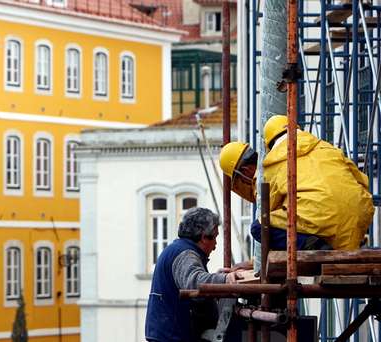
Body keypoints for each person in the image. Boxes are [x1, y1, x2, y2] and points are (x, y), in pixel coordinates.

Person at [219, 115, 374, 250]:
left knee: (259, 227)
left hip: (321, 219)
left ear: (245, 171)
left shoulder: (272, 165)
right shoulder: (327, 148)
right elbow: (361, 179)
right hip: (358, 218)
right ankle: (341, 244)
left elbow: (268, 211)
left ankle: (317, 248)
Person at [145, 207, 243, 342]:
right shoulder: (186, 254)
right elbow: (194, 281)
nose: (215, 245)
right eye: (214, 238)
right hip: (173, 336)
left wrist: (217, 277)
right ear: (203, 237)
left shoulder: (178, 249)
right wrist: (225, 279)